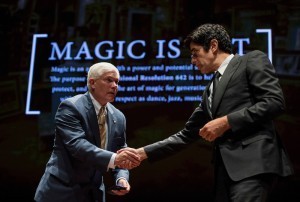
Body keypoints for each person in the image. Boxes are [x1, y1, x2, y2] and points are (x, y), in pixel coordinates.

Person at [121, 23, 294, 201]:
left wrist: (226, 121)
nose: (192, 61)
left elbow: (274, 102)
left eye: (195, 53)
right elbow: (186, 135)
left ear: (213, 46)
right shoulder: (210, 90)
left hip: (254, 165)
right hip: (225, 175)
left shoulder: (251, 60)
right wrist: (141, 153)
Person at [34, 62, 140, 202]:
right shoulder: (71, 107)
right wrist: (115, 159)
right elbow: (77, 145)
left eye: (117, 82)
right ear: (92, 83)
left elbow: (120, 150)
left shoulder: (118, 116)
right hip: (61, 192)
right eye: (109, 80)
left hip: (94, 194)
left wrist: (121, 178)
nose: (115, 86)